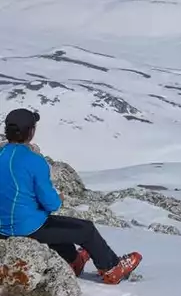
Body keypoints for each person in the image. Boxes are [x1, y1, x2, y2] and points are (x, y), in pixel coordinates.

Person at [0, 108, 141, 284]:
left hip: (2, 229)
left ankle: (74, 260)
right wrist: (59, 198)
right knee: (86, 230)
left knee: (55, 227)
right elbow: (52, 204)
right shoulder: (34, 161)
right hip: (25, 228)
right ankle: (112, 268)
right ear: (30, 132)